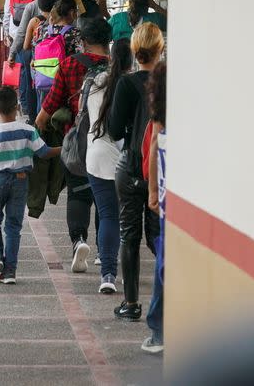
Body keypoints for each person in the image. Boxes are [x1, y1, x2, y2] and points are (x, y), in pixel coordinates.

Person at [35, 16, 111, 273]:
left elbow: (47, 110)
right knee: (106, 198)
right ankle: (104, 250)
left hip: (77, 140)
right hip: (110, 143)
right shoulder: (117, 68)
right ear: (108, 41)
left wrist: (42, 126)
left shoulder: (68, 65)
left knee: (78, 193)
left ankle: (79, 240)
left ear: (84, 41)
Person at [108, 22, 164, 321]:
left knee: (129, 236)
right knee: (158, 236)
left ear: (134, 50)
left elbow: (114, 128)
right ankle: (171, 293)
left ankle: (130, 305)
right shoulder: (169, 83)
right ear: (160, 48)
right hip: (162, 171)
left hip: (131, 168)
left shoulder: (126, 84)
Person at [0, 86, 61, 284]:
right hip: (21, 179)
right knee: (13, 226)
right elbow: (44, 152)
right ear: (17, 108)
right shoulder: (28, 131)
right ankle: (10, 272)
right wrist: (63, 148)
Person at [87, 38, 133, 294]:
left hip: (97, 157)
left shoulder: (95, 83)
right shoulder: (134, 84)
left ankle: (107, 274)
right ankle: (129, 272)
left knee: (108, 216)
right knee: (129, 220)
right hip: (126, 160)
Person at [143, 61, 166, 354]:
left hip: (166, 192)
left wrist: (152, 191)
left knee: (164, 259)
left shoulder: (161, 116)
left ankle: (158, 329)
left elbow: (153, 147)